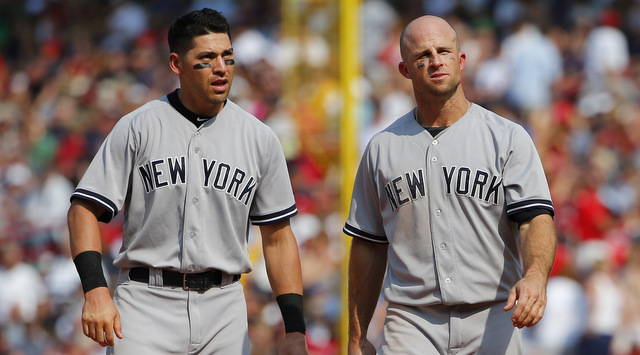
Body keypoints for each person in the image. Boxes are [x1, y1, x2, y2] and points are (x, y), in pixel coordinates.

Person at [67, 8, 308, 355]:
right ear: (176, 64)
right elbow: (82, 210)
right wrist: (96, 290)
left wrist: (294, 329)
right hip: (145, 303)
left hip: (224, 307)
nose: (221, 67)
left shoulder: (260, 138)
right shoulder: (140, 126)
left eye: (227, 56)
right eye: (207, 58)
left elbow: (279, 238)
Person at [343, 15, 557, 355]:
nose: (435, 61)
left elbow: (534, 220)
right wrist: (357, 335)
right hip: (411, 322)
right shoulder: (381, 147)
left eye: (443, 51)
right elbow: (368, 245)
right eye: (422, 56)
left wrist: (535, 276)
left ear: (461, 61)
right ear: (405, 70)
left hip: (493, 314)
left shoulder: (507, 137)